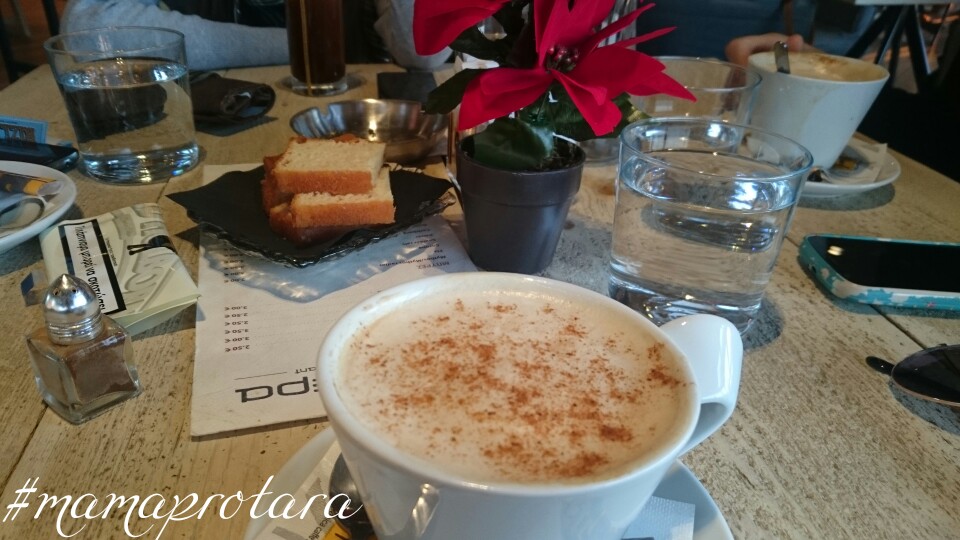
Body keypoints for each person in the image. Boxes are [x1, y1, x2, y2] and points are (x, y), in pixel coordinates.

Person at [60, 0, 451, 72]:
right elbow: (89, 30)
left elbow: (424, 51)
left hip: (356, 113)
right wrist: (309, 48)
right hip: (216, 119)